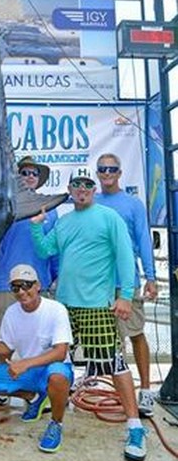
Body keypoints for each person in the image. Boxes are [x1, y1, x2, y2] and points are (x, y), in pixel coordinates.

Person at [31, 166, 148, 461]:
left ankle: (135, 427)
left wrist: (124, 296)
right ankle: (55, 420)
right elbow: (45, 250)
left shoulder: (110, 218)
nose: (82, 189)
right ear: (70, 190)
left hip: (98, 306)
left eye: (87, 184)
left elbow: (125, 257)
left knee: (115, 365)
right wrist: (36, 225)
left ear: (94, 189)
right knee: (58, 363)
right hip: (64, 306)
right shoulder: (65, 221)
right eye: (76, 184)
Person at [0, 156, 59, 408]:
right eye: (24, 172)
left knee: (43, 341)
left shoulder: (51, 209)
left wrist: (54, 277)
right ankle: (6, 384)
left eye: (33, 173)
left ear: (39, 179)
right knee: (3, 342)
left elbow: (55, 248)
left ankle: (42, 388)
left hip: (40, 285)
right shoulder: (1, 208)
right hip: (6, 284)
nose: (29, 176)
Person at [0, 264, 73, 454]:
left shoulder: (56, 309)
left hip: (52, 368)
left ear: (38, 285)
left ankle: (56, 423)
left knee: (58, 376)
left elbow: (60, 352)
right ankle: (34, 397)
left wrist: (24, 363)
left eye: (27, 285)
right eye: (16, 287)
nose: (21, 291)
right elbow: (5, 348)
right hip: (28, 371)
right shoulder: (11, 312)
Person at [94, 153, 157, 417]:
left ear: (120, 173)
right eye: (102, 169)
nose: (107, 172)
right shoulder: (89, 202)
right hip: (99, 286)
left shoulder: (133, 204)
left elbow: (144, 241)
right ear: (97, 173)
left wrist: (150, 277)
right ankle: (122, 391)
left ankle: (145, 390)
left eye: (112, 168)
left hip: (126, 285)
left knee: (136, 334)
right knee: (110, 342)